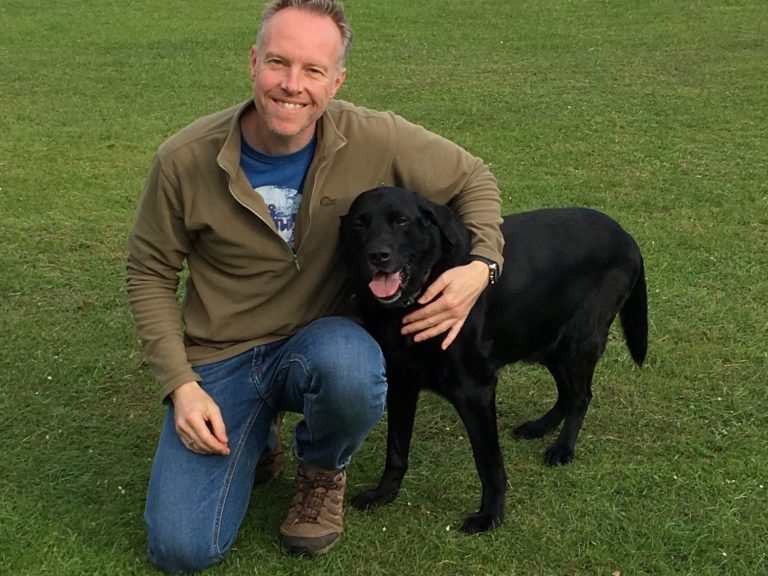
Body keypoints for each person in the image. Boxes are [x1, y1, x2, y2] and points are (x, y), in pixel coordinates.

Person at [126, 0, 504, 572]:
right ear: (254, 62)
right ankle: (259, 435)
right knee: (181, 550)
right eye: (279, 62)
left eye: (313, 70)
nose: (292, 85)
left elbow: (474, 178)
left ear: (337, 80)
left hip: (322, 344)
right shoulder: (184, 159)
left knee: (352, 366)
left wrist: (481, 267)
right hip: (223, 356)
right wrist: (181, 385)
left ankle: (322, 472)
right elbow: (150, 270)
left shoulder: (375, 136)